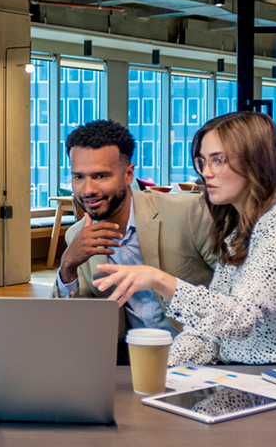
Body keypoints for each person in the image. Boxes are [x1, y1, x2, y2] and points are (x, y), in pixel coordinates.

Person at [93, 111, 276, 366]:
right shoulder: (238, 231)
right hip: (248, 380)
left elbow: (241, 318)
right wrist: (158, 369)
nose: (206, 172)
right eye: (203, 161)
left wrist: (160, 279)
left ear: (257, 162)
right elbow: (209, 333)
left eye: (218, 160)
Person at [51, 120, 218, 354]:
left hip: (207, 354)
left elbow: (237, 295)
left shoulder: (188, 212)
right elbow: (65, 325)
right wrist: (67, 266)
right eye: (78, 177)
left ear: (129, 174)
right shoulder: (77, 236)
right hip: (133, 361)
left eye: (100, 176)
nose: (87, 189)